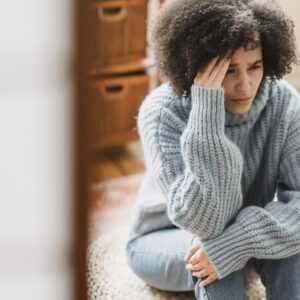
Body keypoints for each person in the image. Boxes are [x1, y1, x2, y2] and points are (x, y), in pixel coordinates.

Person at [126, 0, 300, 299]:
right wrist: (206, 114)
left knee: (290, 247)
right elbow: (204, 221)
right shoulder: (162, 112)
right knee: (209, 251)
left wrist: (239, 241)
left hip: (231, 231)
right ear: (195, 66)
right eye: (229, 70)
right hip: (163, 237)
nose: (245, 86)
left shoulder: (283, 102)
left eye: (255, 66)